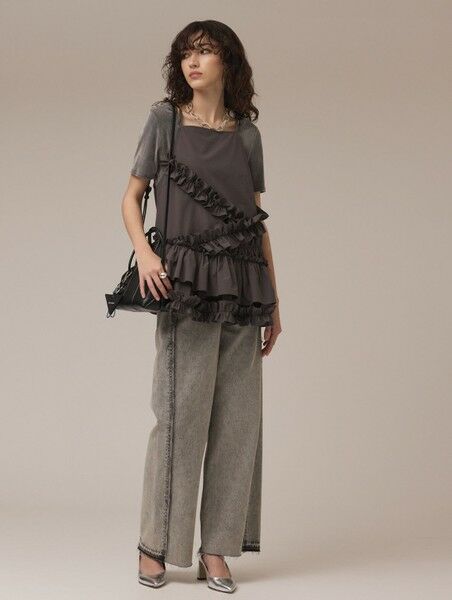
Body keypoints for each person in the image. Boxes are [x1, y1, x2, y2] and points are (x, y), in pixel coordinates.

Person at [121, 20, 283, 592]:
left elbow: (256, 222)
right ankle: (155, 546)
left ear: (227, 63)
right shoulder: (164, 121)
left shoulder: (248, 137)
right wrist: (146, 253)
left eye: (207, 51)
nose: (194, 61)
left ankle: (216, 550)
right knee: (178, 418)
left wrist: (274, 301)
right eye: (187, 52)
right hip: (184, 286)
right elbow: (132, 197)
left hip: (243, 288)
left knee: (238, 423)